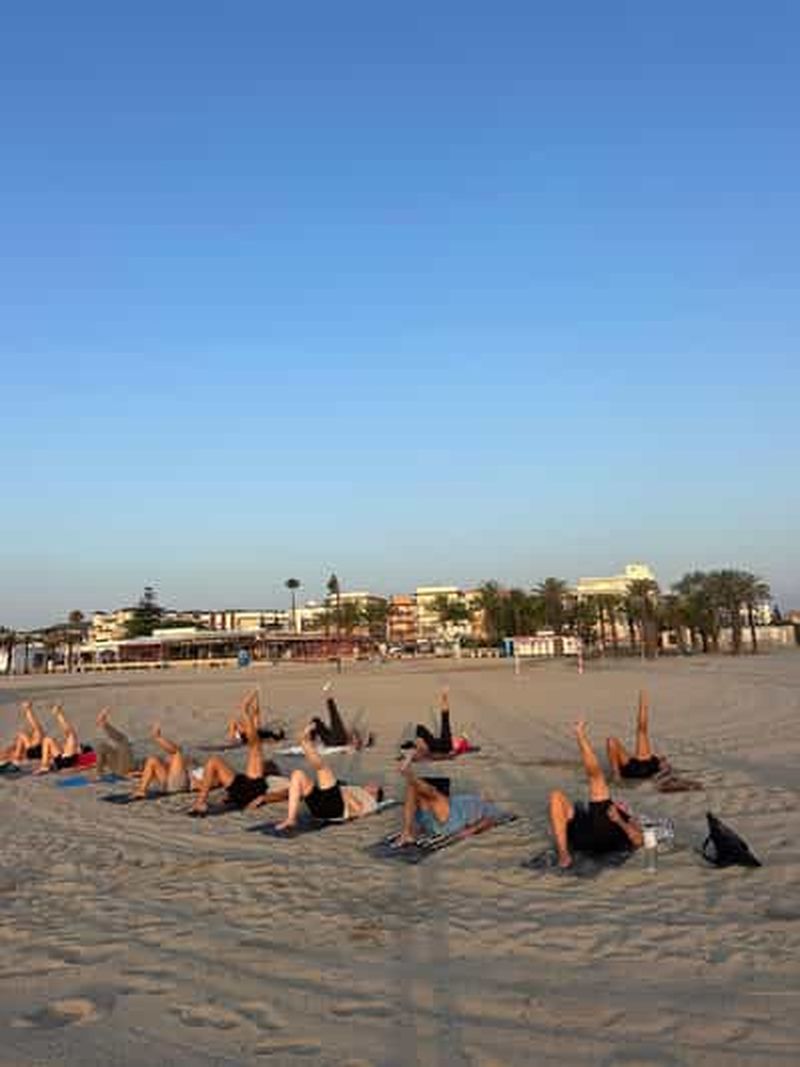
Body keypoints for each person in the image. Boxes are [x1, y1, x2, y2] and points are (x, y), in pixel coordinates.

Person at [549, 721, 644, 869]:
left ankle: (580, 736)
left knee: (596, 778)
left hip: (608, 836)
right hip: (586, 834)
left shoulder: (627, 818)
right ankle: (563, 853)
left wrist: (619, 820)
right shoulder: (592, 814)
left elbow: (638, 841)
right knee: (556, 796)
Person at [274, 723, 383, 831]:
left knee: (323, 769)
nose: (370, 785)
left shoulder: (368, 799)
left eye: (374, 787)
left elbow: (358, 809)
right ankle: (291, 818)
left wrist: (346, 797)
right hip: (321, 807)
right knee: (297, 775)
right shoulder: (357, 790)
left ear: (374, 794)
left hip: (335, 810)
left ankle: (304, 742)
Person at [191, 703, 287, 816]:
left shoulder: (286, 782)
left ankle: (200, 802)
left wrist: (264, 798)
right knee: (214, 761)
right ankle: (200, 802)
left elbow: (287, 793)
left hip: (251, 789)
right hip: (243, 788)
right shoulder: (274, 779)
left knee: (254, 748)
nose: (266, 765)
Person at [396, 751, 499, 844]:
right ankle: (407, 832)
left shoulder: (489, 808)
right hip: (433, 820)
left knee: (432, 795)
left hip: (450, 822)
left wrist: (470, 830)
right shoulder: (476, 801)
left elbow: (490, 820)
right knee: (418, 791)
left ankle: (408, 775)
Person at [606, 690, 669, 782]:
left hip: (633, 770)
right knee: (641, 731)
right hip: (645, 768)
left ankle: (616, 774)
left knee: (612, 740)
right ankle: (643, 698)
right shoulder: (653, 761)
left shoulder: (649, 761)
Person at [131, 723, 191, 799]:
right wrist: (139, 773)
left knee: (177, 753)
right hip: (173, 784)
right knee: (152, 760)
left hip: (178, 785)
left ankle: (157, 738)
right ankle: (141, 790)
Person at [402, 688, 454, 759]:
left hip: (439, 747)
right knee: (445, 720)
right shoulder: (443, 746)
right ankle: (444, 696)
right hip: (442, 747)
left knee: (444, 720)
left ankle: (444, 696)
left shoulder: (432, 746)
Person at [308, 694, 373, 750]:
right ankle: (312, 742)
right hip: (334, 740)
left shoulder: (348, 743)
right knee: (317, 720)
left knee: (333, 717)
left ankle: (329, 698)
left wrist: (368, 742)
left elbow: (360, 747)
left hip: (337, 741)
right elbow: (361, 746)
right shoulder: (349, 738)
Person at [35, 704, 85, 774]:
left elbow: (91, 763)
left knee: (71, 735)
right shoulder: (69, 750)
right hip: (62, 760)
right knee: (47, 739)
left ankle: (58, 713)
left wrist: (77, 768)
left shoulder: (78, 753)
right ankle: (44, 766)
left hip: (68, 761)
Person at [95, 708, 136, 777]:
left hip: (122, 769)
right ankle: (104, 724)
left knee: (121, 740)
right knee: (121, 740)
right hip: (123, 768)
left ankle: (98, 772)